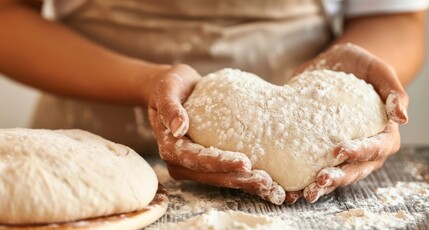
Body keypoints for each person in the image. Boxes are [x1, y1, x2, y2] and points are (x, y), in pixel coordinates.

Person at [0, 0, 426, 205]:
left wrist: (355, 92)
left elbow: (397, 15)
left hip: (320, 151)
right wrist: (144, 82)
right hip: (86, 158)